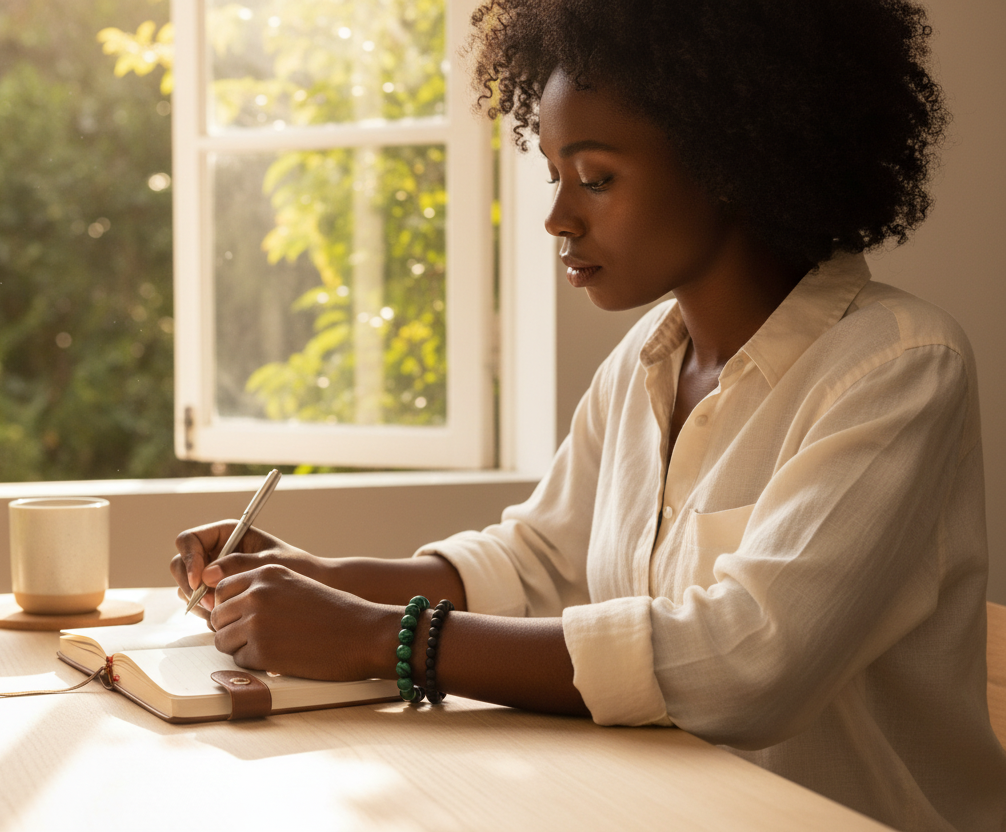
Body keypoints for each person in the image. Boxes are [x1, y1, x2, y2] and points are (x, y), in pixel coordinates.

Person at [171, 1, 1006, 829]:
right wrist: (319, 579)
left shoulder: (897, 367)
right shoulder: (648, 360)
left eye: (596, 178)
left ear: (732, 162)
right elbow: (538, 564)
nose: (557, 219)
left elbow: (749, 658)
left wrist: (381, 637)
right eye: (555, 176)